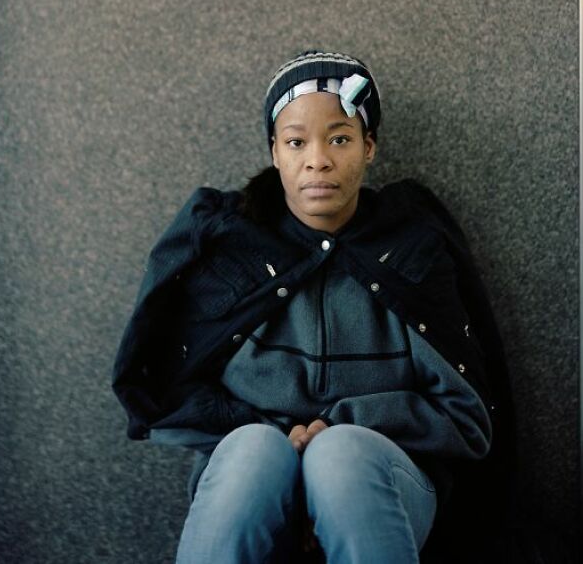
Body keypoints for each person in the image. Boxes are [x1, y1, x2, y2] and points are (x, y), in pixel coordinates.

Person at [112, 50, 514, 563]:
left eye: (340, 139)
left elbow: (465, 418)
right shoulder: (234, 250)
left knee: (340, 455)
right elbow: (169, 393)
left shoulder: (410, 250)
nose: (317, 159)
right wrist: (277, 436)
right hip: (254, 490)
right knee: (254, 450)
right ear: (275, 152)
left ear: (369, 148)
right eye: (296, 142)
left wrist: (340, 426)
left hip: (382, 485)